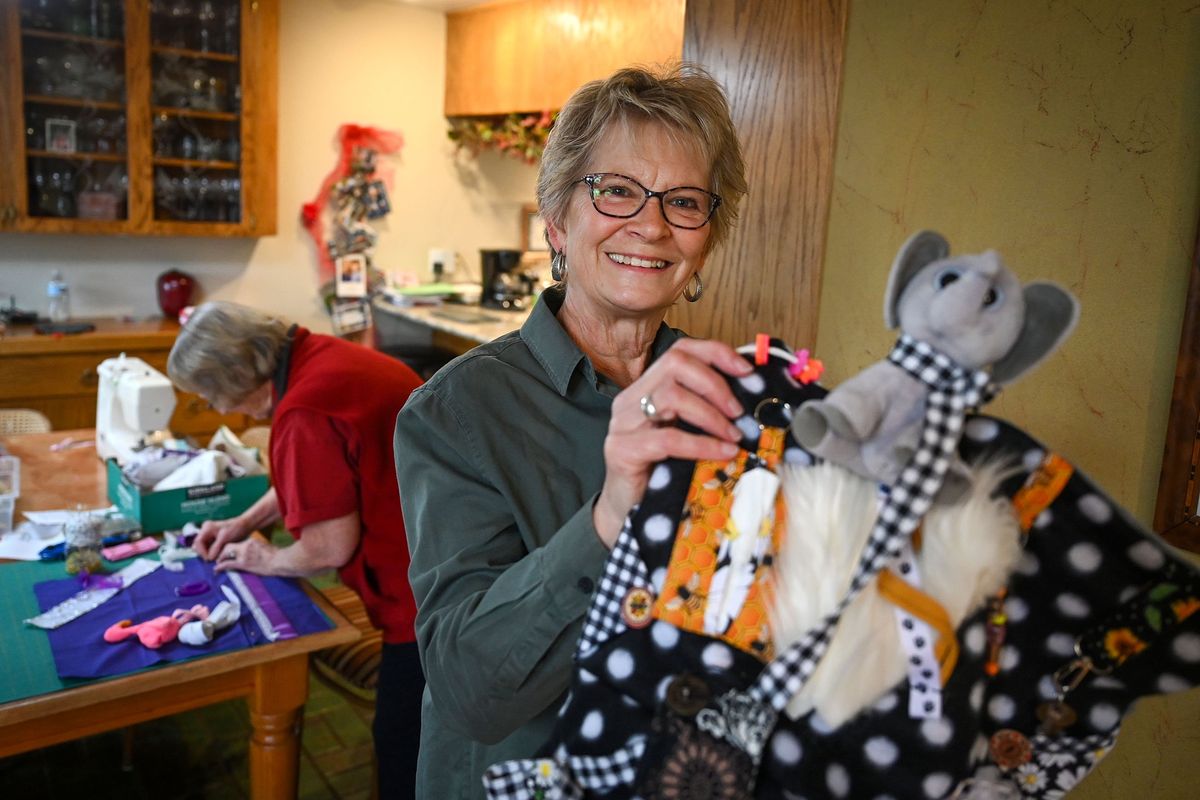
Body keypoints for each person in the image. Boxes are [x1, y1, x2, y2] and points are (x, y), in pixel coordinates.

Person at [394, 63, 752, 799]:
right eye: (617, 190)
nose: (651, 225)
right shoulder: (455, 412)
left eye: (684, 201)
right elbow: (466, 691)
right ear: (558, 221)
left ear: (704, 244)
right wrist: (611, 519)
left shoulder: (729, 397)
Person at [166, 301, 425, 800]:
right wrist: (243, 523)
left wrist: (268, 559)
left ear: (241, 374)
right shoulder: (322, 356)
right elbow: (319, 479)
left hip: (423, 597)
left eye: (213, 395)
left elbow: (328, 547)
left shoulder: (304, 408)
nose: (219, 409)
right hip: (446, 550)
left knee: (403, 747)